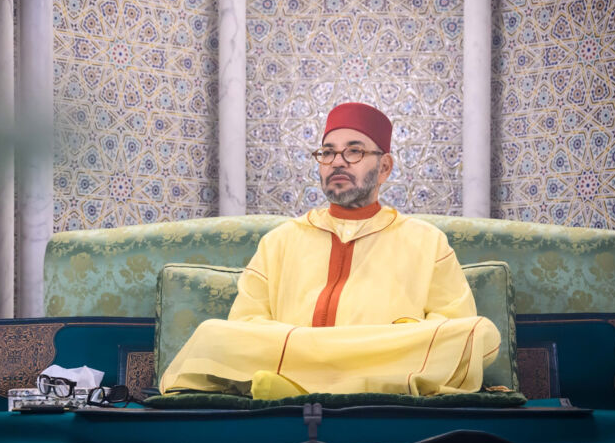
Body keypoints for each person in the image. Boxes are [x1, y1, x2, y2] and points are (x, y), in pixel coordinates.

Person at [159, 102, 501, 400]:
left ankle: (298, 385)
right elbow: (246, 323)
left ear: (384, 167)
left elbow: (454, 322)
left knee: (477, 333)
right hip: (298, 353)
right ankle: (357, 382)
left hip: (376, 354)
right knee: (213, 333)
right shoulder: (279, 241)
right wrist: (303, 345)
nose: (338, 162)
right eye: (327, 152)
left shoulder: (426, 241)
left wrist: (393, 336)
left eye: (354, 151)